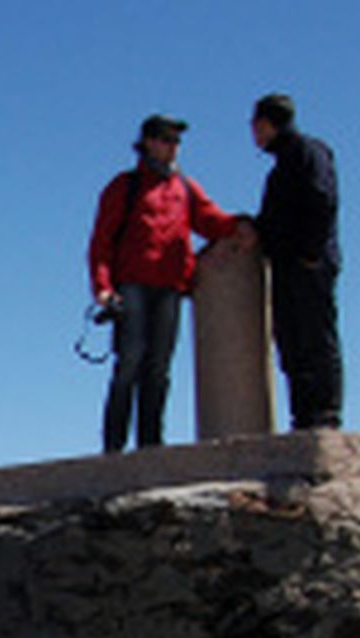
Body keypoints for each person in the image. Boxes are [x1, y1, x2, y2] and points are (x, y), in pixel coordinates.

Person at [89, 113, 245, 453]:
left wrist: (243, 225)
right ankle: (113, 447)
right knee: (129, 362)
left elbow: (210, 220)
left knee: (159, 368)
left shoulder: (185, 187)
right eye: (165, 139)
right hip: (131, 285)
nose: (172, 147)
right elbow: (101, 241)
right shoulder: (124, 187)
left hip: (171, 287)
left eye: (176, 141)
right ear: (147, 142)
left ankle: (150, 445)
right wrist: (102, 287)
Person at [251, 92, 343, 430]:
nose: (254, 135)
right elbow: (274, 219)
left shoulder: (309, 152)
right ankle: (303, 417)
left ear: (265, 124)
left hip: (309, 264)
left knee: (316, 339)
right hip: (285, 265)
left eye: (256, 126)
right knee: (290, 341)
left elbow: (322, 200)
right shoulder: (279, 168)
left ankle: (326, 416)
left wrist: (309, 253)